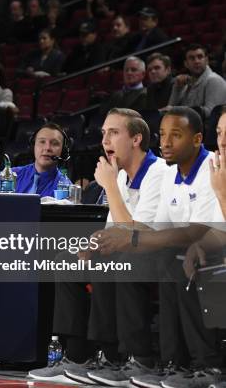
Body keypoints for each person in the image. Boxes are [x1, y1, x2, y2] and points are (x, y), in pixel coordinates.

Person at [29, 109, 168, 384]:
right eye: (104, 133)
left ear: (136, 138)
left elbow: (134, 232)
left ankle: (128, 357)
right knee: (67, 261)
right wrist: (92, 244)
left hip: (158, 253)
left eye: (114, 132)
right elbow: (112, 230)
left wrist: (110, 187)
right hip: (127, 250)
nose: (105, 140)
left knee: (112, 259)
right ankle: (78, 356)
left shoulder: (158, 171)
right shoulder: (119, 175)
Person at [90, 107, 222, 388]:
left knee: (160, 261)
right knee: (115, 259)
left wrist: (134, 241)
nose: (166, 143)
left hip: (209, 250)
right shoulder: (173, 174)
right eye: (163, 135)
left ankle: (201, 365)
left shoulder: (208, 168)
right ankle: (141, 359)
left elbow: (201, 230)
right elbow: (156, 229)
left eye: (176, 135)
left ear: (198, 138)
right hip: (184, 248)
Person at [0, 123, 70, 195]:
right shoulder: (13, 174)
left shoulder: (64, 186)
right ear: (33, 146)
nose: (47, 148)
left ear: (63, 151)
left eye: (54, 143)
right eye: (42, 142)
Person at [168, 44, 226, 118]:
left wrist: (177, 110)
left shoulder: (214, 80)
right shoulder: (185, 84)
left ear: (206, 60)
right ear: (186, 64)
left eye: (200, 57)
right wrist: (177, 88)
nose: (196, 61)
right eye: (192, 58)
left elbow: (211, 113)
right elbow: (169, 111)